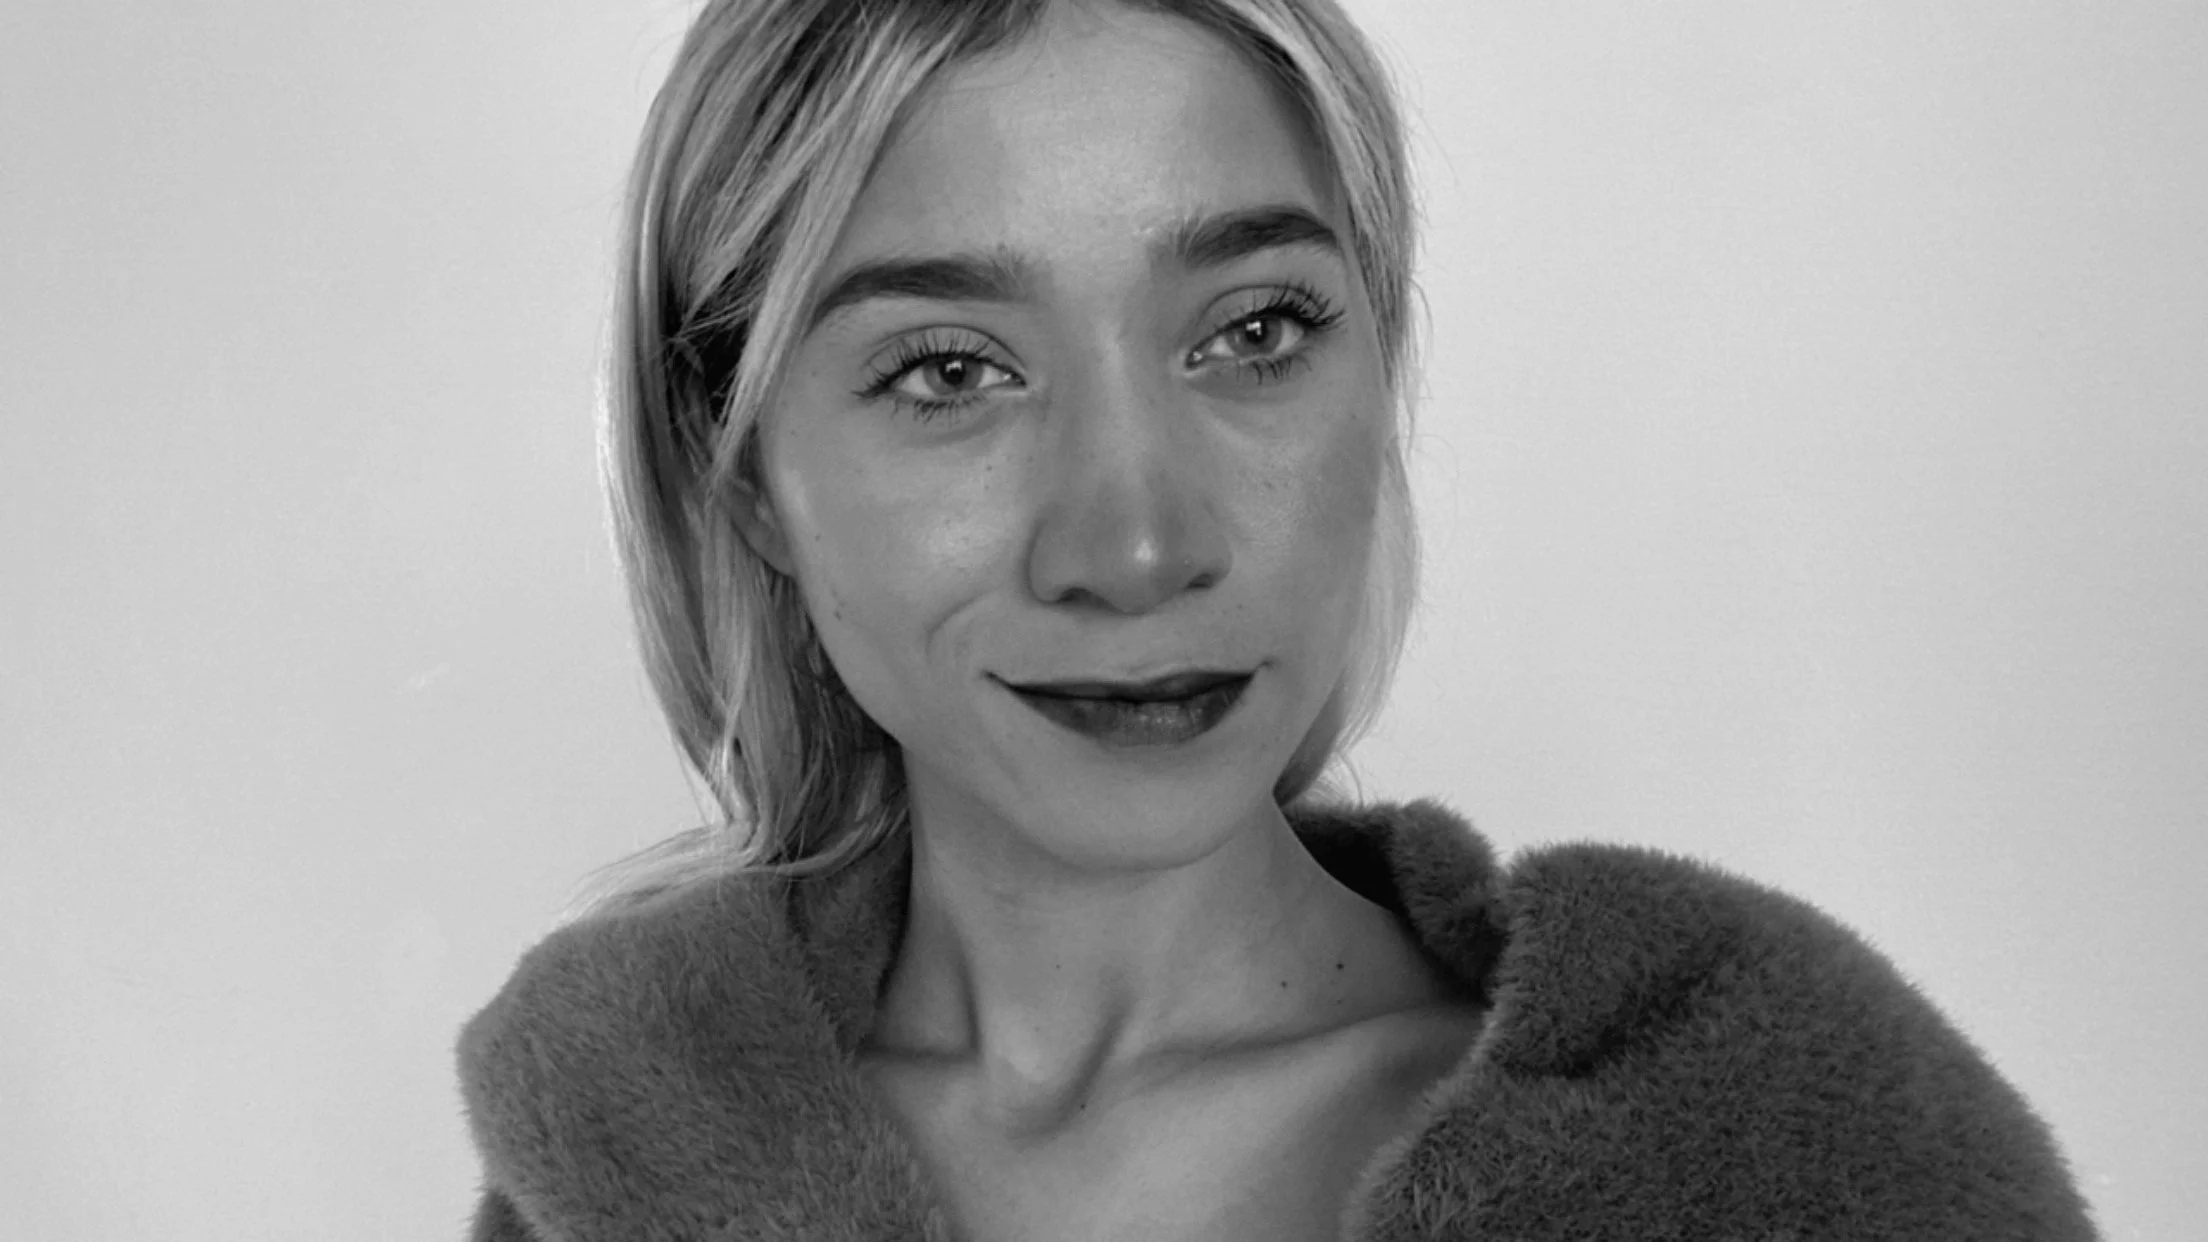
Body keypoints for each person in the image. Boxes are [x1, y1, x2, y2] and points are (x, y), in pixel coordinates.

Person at [455, 0, 2096, 1237]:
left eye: (1253, 333)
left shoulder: (1780, 1151)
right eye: (950, 369)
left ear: (1379, 377)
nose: (1138, 545)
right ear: (740, 468)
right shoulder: (615, 1170)